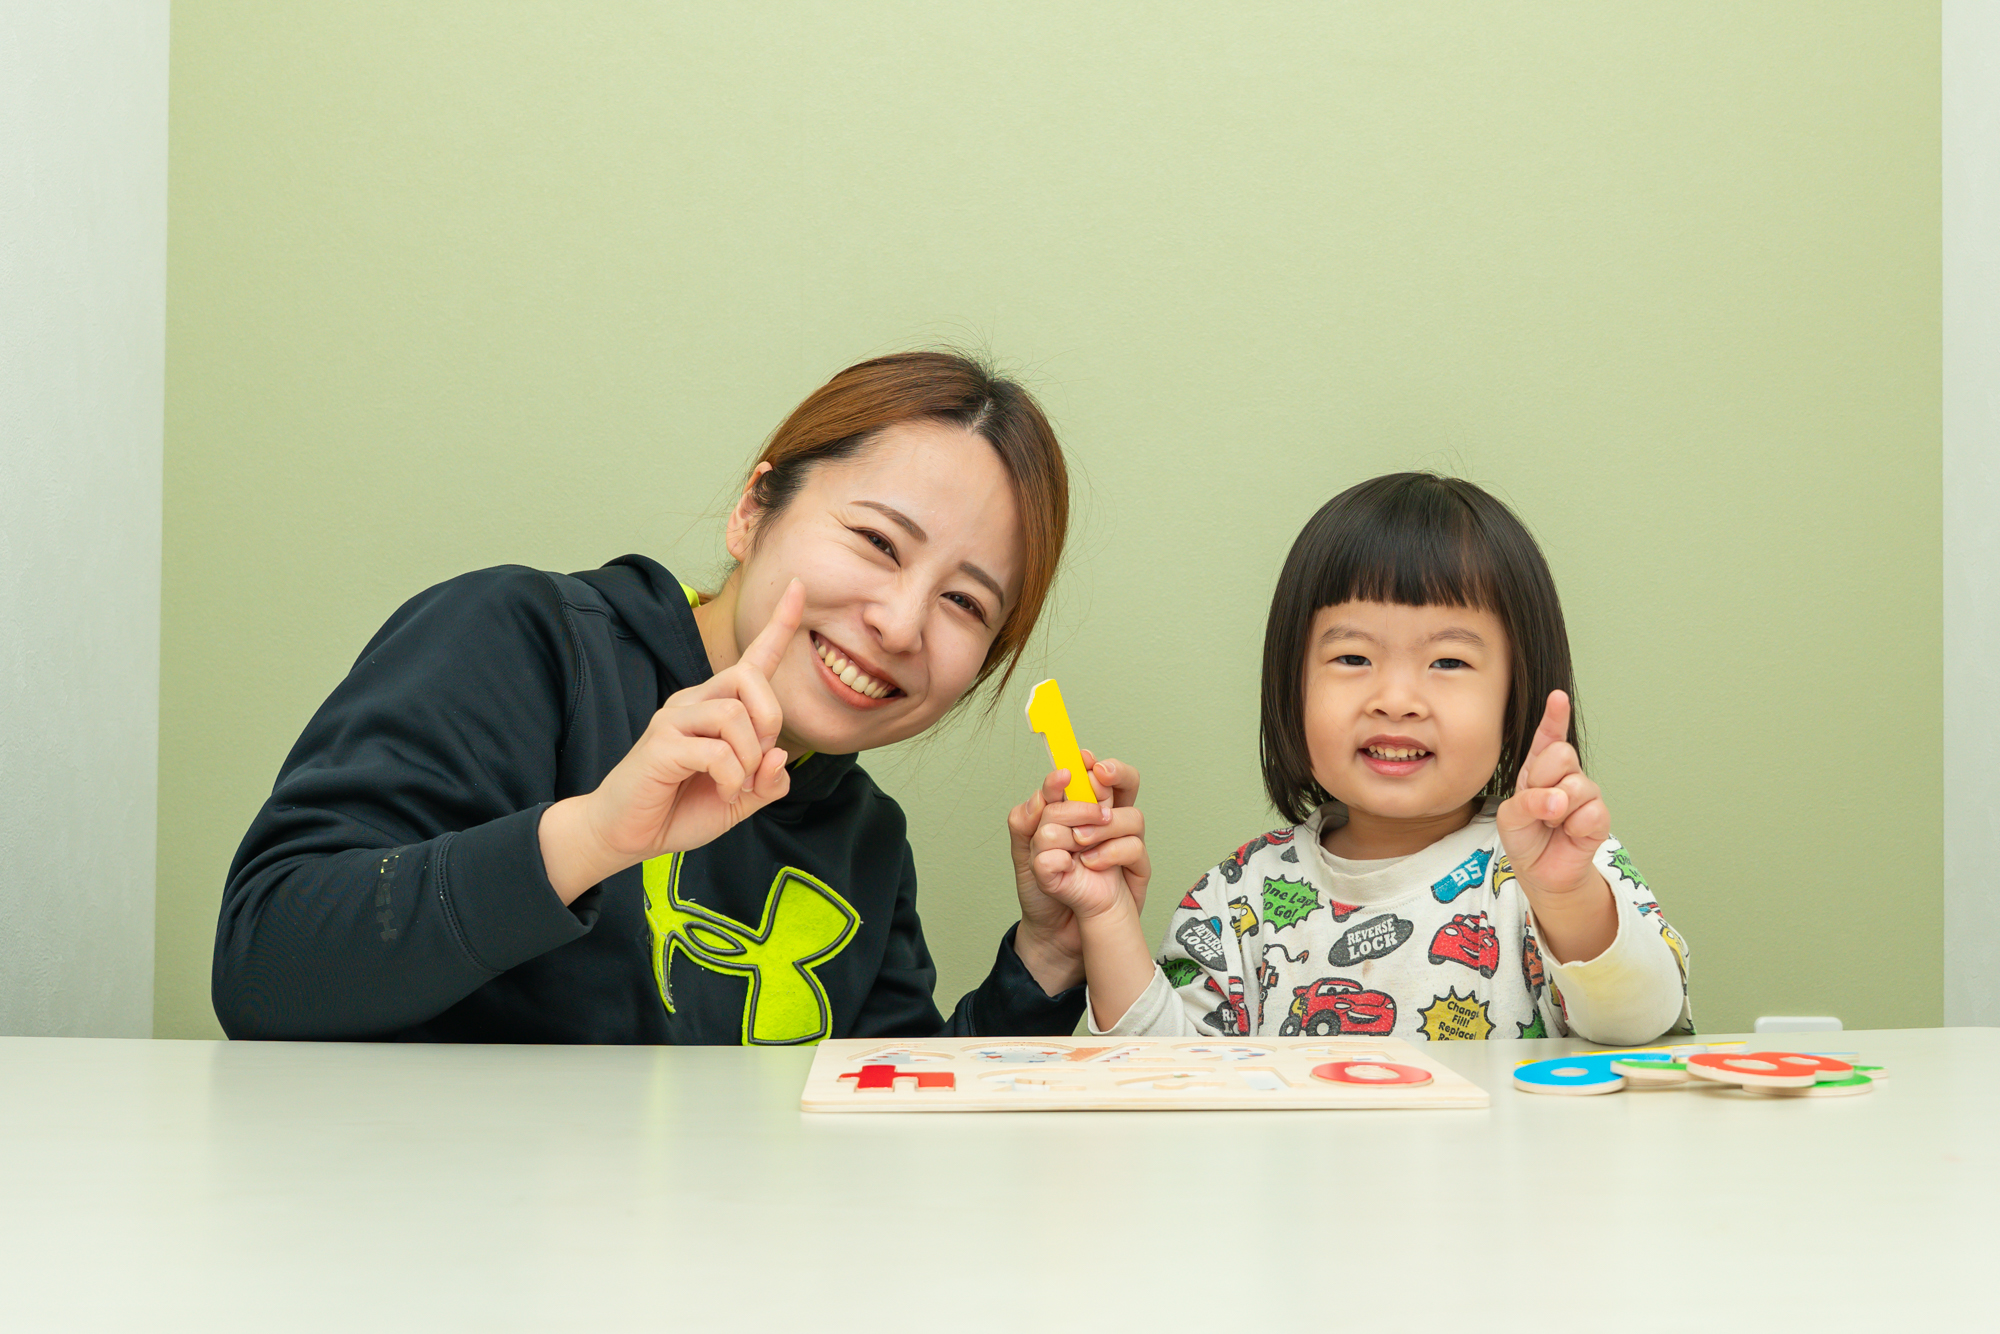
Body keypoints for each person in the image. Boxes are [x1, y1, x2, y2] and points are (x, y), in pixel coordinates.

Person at [213, 351, 1140, 1043]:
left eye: (965, 603)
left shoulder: (864, 841)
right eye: (877, 542)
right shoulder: (521, 641)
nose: (901, 624)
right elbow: (263, 965)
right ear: (753, 509)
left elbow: (888, 1149)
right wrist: (590, 836)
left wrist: (1048, 956)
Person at [1016, 472, 1691, 1045]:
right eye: (1352, 657)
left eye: (1448, 661)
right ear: (1291, 683)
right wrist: (1105, 915)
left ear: (1518, 693)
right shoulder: (1236, 900)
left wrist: (1567, 900)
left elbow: (1644, 1027)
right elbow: (1169, 1083)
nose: (1395, 700)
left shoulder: (1557, 867)